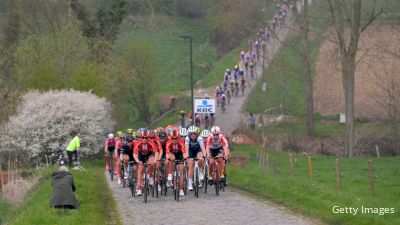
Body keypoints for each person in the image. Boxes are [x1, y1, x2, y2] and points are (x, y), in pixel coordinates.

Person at [133, 130, 159, 196]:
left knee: (151, 161)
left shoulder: (151, 141)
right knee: (140, 170)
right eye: (143, 138)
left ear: (148, 137)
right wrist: (137, 161)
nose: (144, 139)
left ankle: (149, 176)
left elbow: (156, 152)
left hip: (149, 154)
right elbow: (134, 153)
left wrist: (155, 160)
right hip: (141, 155)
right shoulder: (138, 142)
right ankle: (139, 188)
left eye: (146, 138)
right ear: (141, 137)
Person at [165, 129, 187, 196]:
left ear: (178, 138)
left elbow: (184, 153)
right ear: (170, 138)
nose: (174, 140)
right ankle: (170, 174)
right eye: (172, 139)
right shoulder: (168, 142)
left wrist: (185, 158)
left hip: (180, 155)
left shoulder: (181, 142)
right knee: (171, 158)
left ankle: (181, 189)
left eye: (176, 139)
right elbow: (167, 153)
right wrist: (167, 159)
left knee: (181, 172)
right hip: (172, 154)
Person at [185, 126, 206, 190]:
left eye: (194, 133)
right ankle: (190, 183)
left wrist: (204, 155)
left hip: (198, 150)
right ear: (189, 134)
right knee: (191, 164)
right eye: (191, 134)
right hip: (191, 151)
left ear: (196, 134)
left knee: (201, 158)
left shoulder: (199, 138)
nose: (193, 135)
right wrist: (187, 156)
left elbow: (202, 147)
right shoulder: (187, 138)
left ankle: (200, 172)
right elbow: (186, 148)